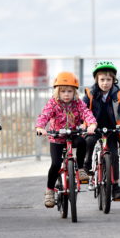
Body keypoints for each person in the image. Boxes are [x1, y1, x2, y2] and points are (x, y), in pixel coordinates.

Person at [36, 71, 97, 208]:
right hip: (56, 137)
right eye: (63, 91)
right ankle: (49, 191)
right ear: (57, 92)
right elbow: (44, 115)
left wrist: (92, 124)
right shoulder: (53, 103)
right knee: (56, 164)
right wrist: (40, 127)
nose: (66, 94)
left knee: (82, 142)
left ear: (74, 91)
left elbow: (87, 113)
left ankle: (80, 168)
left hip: (73, 134)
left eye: (69, 91)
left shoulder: (78, 103)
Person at [82, 61, 120, 200]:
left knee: (114, 156)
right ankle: (87, 165)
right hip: (94, 127)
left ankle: (115, 187)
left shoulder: (118, 94)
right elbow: (82, 109)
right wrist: (82, 124)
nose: (105, 83)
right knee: (89, 141)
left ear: (113, 80)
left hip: (111, 129)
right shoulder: (89, 94)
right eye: (102, 80)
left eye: (108, 80)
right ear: (96, 80)